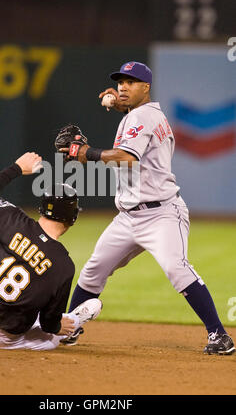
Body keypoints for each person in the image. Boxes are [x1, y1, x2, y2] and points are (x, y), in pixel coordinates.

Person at [59, 61, 235, 355]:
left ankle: (219, 335)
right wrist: (122, 107)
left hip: (162, 214)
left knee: (176, 268)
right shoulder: (143, 114)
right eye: (120, 83)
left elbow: (127, 157)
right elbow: (135, 131)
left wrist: (86, 152)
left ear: (146, 87)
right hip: (128, 217)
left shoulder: (141, 117)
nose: (123, 87)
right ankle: (69, 327)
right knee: (93, 271)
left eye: (131, 82)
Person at [0, 152, 102, 350]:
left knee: (15, 306)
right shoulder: (63, 265)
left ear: (42, 208)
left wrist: (17, 168)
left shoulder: (11, 218)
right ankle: (74, 323)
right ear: (72, 219)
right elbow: (49, 324)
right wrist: (60, 327)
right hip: (2, 336)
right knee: (52, 340)